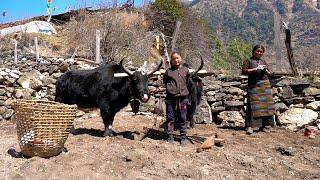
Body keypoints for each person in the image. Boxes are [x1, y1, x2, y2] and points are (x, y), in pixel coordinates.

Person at [242, 45, 275, 134]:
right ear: (253, 51)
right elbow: (244, 71)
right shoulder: (248, 61)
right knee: (253, 105)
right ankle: (250, 126)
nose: (259, 53)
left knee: (265, 105)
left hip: (264, 84)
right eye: (257, 51)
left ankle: (265, 125)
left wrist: (265, 69)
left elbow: (268, 73)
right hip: (253, 85)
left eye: (261, 52)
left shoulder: (263, 61)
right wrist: (255, 69)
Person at [163, 51, 190, 145]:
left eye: (177, 58)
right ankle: (170, 136)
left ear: (181, 58)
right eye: (174, 59)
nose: (176, 60)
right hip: (171, 98)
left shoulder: (185, 70)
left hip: (183, 98)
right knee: (170, 117)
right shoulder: (168, 72)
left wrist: (182, 91)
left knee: (183, 117)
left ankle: (183, 137)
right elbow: (165, 82)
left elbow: (187, 83)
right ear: (171, 60)